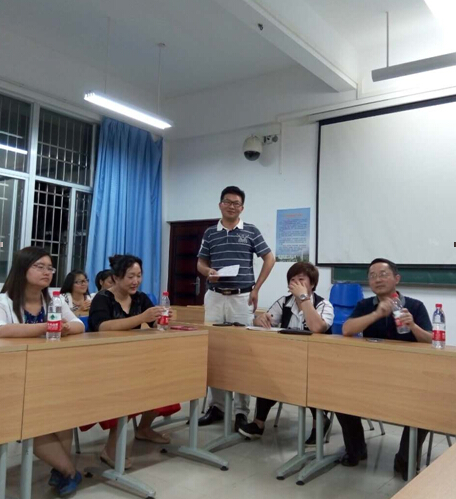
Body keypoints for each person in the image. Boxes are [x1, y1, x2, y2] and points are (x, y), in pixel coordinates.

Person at [337, 258, 432, 480]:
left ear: (396, 278)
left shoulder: (415, 306)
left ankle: (405, 459)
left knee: (426, 405)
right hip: (372, 374)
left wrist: (413, 326)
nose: (377, 279)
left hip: (409, 377)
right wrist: (376, 314)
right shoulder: (365, 306)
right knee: (340, 396)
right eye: (372, 276)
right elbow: (347, 329)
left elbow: (432, 341)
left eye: (383, 274)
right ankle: (356, 449)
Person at [0, 247, 84, 496]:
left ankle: (61, 470)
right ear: (22, 268)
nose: (47, 272)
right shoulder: (4, 300)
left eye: (50, 268)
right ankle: (69, 471)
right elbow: (1, 330)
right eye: (39, 267)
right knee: (33, 419)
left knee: (63, 412)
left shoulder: (54, 300)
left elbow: (79, 325)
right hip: (14, 377)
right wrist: (46, 327)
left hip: (50, 373)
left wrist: (64, 328)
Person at [197, 186, 275, 431]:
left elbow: (269, 258)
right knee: (214, 351)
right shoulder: (210, 232)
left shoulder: (251, 231)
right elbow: (201, 262)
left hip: (242, 298)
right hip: (215, 297)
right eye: (227, 202)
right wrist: (207, 271)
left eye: (236, 203)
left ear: (242, 207)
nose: (232, 206)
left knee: (244, 353)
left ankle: (242, 411)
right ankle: (217, 407)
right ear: (220, 204)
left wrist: (256, 288)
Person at [87, 254, 174, 469]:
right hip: (105, 361)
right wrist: (141, 318)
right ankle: (110, 449)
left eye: (139, 276)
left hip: (133, 358)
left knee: (163, 380)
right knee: (128, 390)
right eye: (130, 276)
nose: (136, 281)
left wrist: (164, 318)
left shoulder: (140, 298)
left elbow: (155, 324)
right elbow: (102, 327)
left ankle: (144, 428)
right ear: (116, 278)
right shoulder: (102, 298)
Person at [237, 262, 334, 441]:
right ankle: (258, 423)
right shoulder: (284, 302)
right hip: (288, 360)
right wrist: (260, 320)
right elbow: (263, 321)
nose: (295, 283)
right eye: (292, 280)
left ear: (312, 284)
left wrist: (303, 298)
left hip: (317, 364)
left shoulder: (323, 305)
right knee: (268, 372)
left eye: (301, 280)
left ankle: (320, 422)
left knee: (313, 378)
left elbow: (317, 327)